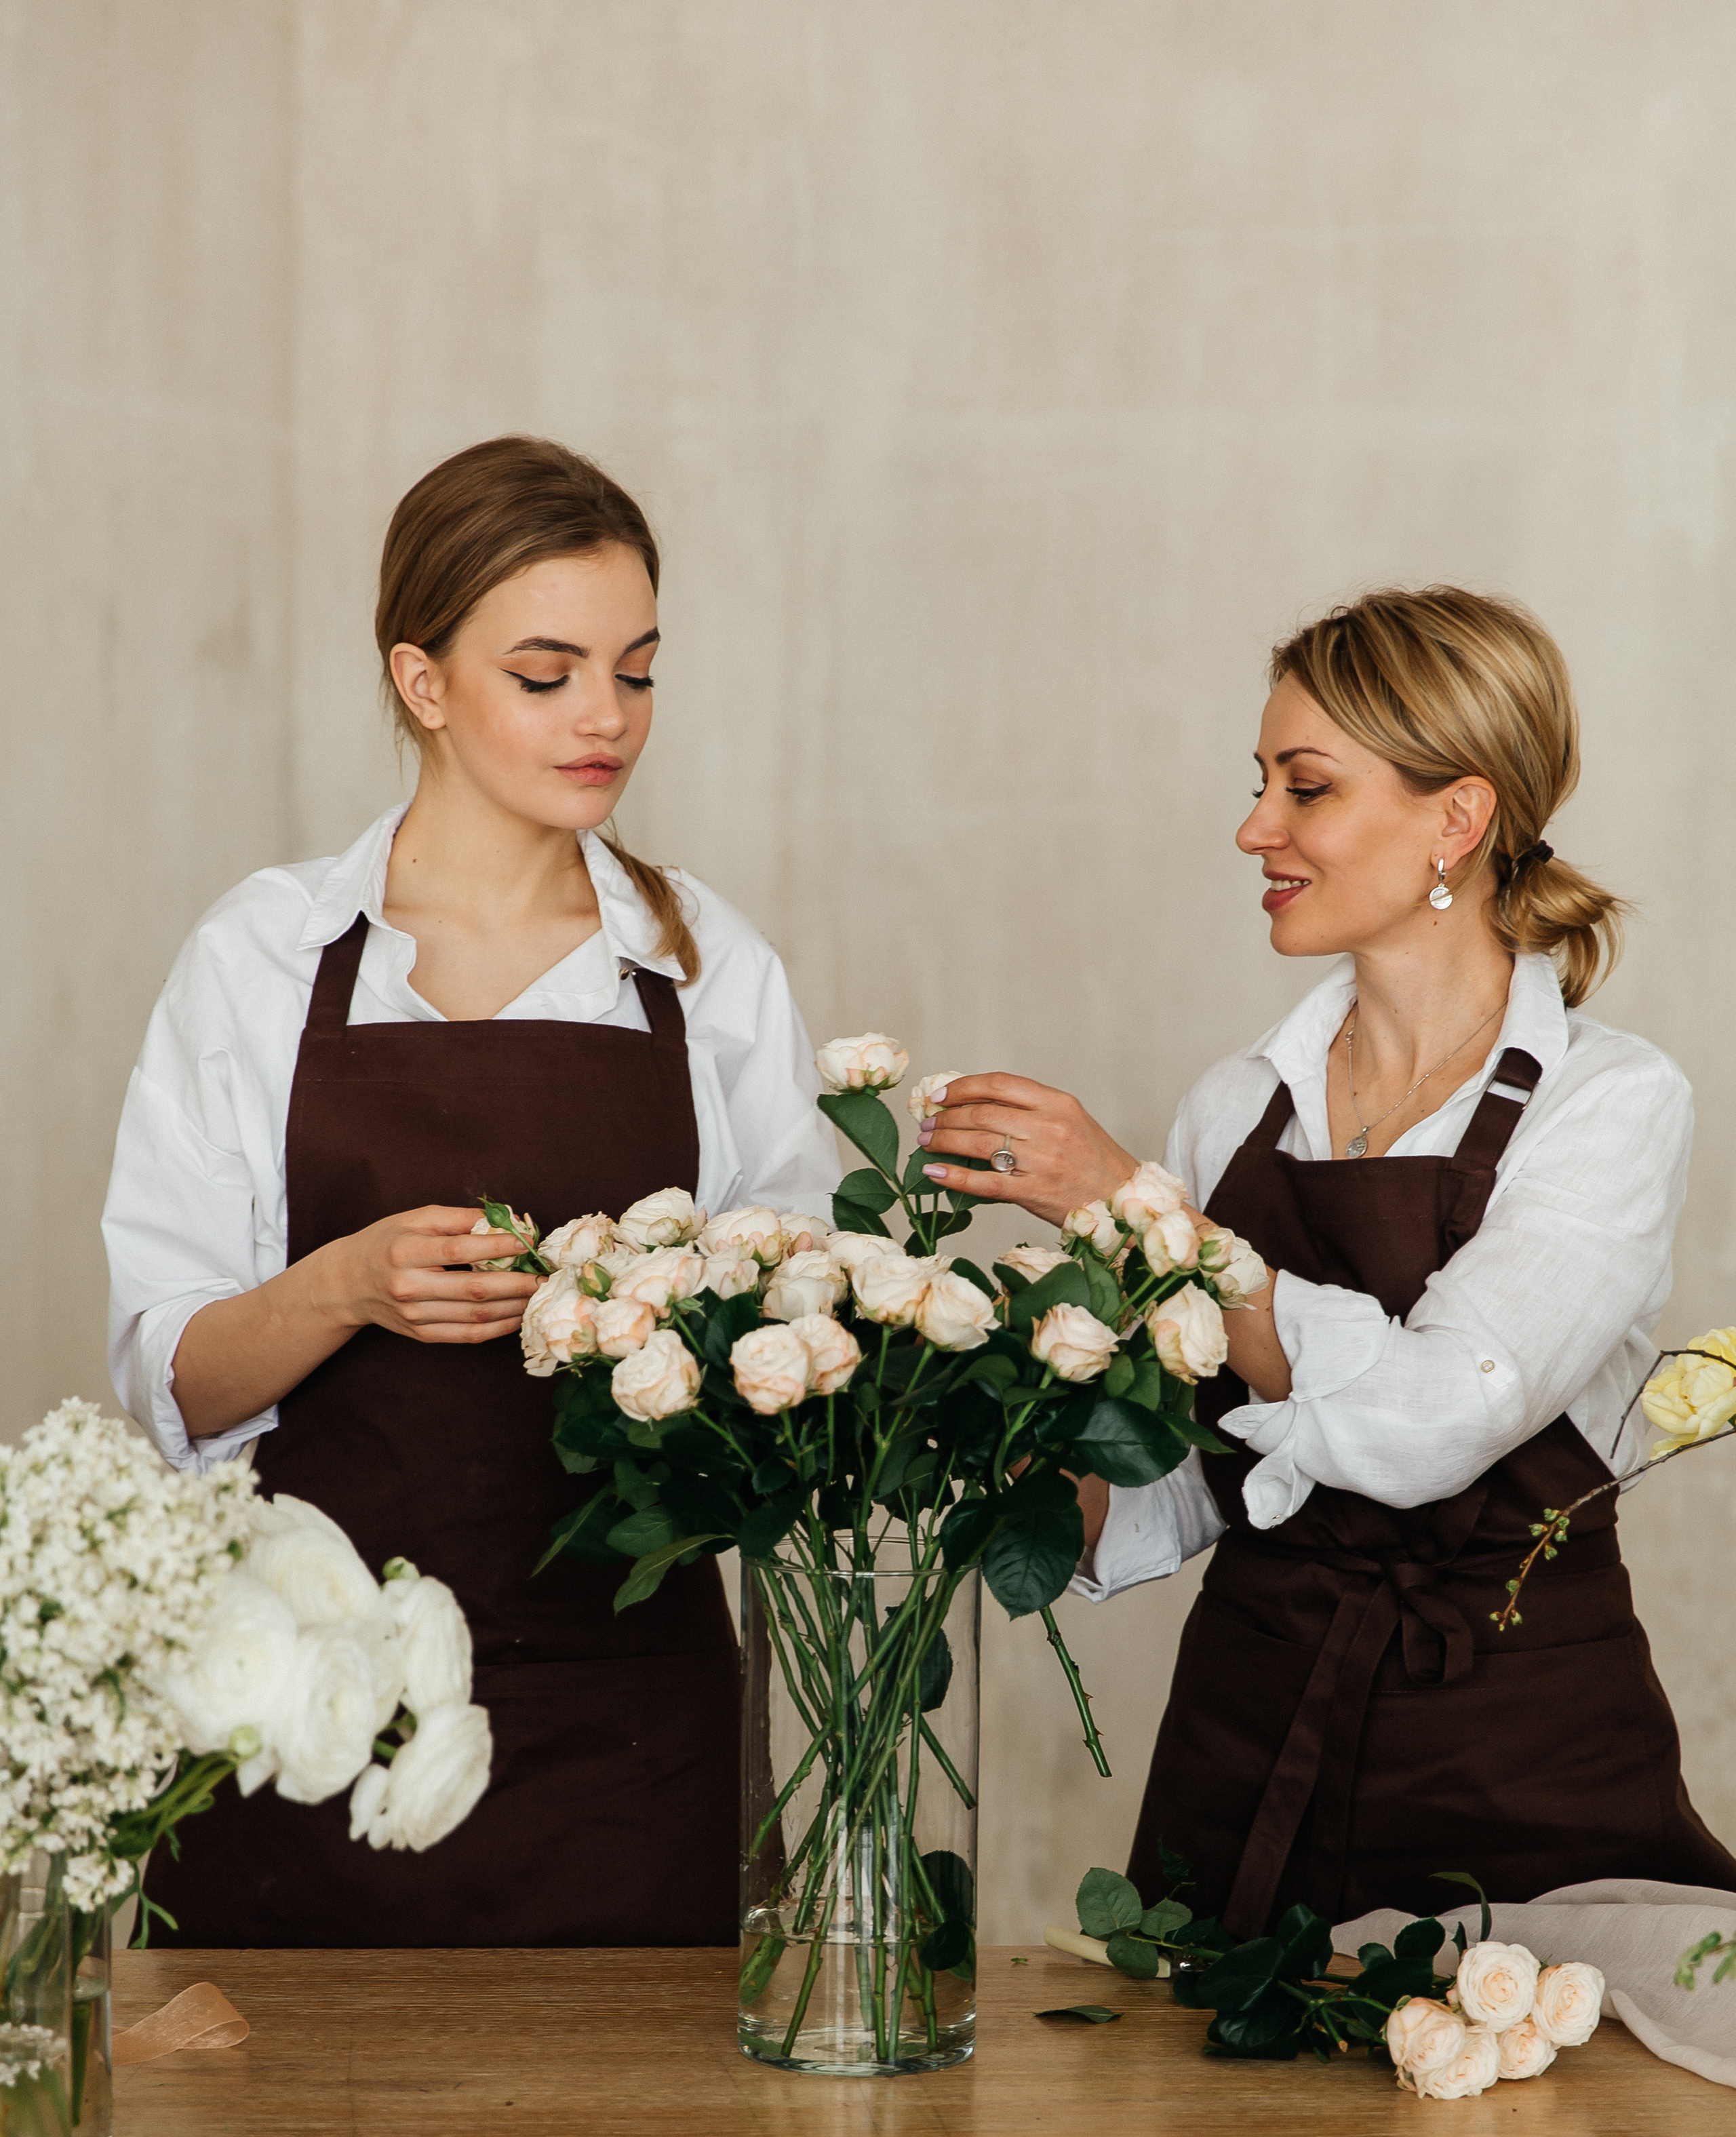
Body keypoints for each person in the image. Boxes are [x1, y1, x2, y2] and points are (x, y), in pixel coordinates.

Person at [104, 435, 835, 1950]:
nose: (606, 720)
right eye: (547, 672)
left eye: (635, 672)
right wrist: (345, 1285)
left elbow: (809, 1327)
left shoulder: (701, 970)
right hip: (307, 1701)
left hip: (627, 1722)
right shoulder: (262, 957)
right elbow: (165, 1374)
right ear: (422, 681)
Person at [917, 583, 1736, 1932]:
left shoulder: (1608, 1103)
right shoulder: (1234, 1107)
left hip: (1522, 1766)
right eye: (1260, 785)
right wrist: (972, 1443)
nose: (1254, 829)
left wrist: (1136, 1213)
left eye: (1305, 788)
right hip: (1245, 1755)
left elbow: (1434, 1416)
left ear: (1454, 821)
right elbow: (1201, 1476)